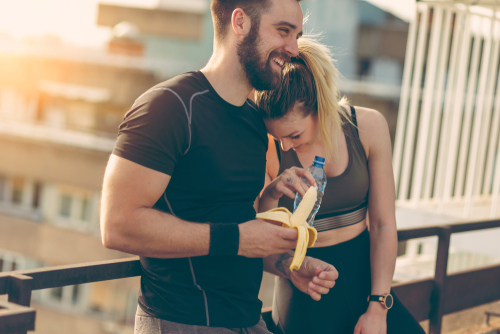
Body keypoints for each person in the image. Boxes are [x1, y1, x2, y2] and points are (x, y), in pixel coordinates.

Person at [100, 1, 339, 333]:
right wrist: (238, 238)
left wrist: (288, 265)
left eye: (297, 35)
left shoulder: (256, 124)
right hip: (181, 323)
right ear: (239, 22)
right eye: (283, 31)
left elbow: (239, 238)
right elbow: (117, 225)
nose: (293, 49)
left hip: (249, 322)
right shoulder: (169, 106)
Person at [255, 37, 426, 334]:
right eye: (278, 136)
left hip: (365, 277)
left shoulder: (368, 127)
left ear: (319, 106)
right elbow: (259, 240)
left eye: (294, 135)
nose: (285, 145)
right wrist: (269, 194)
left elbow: (384, 225)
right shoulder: (269, 147)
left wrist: (377, 307)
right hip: (304, 285)